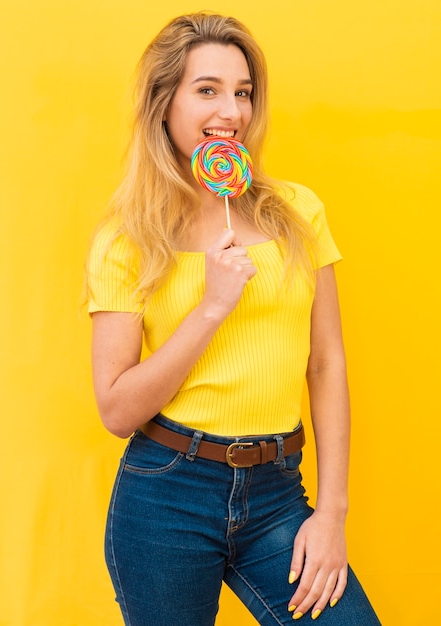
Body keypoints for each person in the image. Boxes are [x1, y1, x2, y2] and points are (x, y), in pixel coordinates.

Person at [85, 12, 381, 626]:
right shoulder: (126, 241)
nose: (232, 112)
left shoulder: (297, 213)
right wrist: (212, 306)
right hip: (166, 494)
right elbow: (116, 410)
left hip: (279, 492)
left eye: (242, 92)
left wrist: (331, 514)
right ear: (164, 104)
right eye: (207, 89)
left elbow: (325, 363)